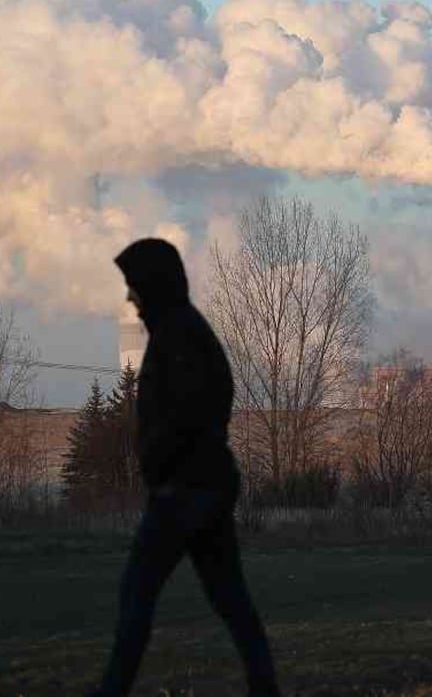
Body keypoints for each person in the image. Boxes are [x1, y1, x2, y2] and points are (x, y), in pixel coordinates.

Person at [88, 238, 280, 697]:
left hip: (185, 493)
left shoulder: (180, 337)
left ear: (153, 285)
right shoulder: (181, 332)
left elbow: (195, 413)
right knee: (229, 599)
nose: (130, 298)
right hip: (198, 488)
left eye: (134, 286)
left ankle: (112, 691)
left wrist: (167, 469)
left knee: (138, 593)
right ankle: (265, 688)